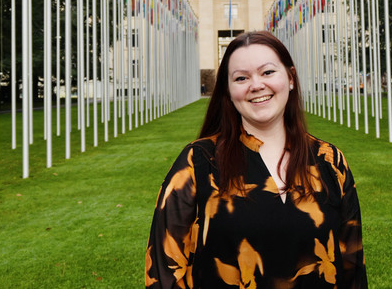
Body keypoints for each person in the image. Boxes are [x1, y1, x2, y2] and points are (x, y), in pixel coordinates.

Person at [145, 31, 367, 288]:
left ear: (291, 78)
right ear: (228, 91)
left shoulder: (329, 162)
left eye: (268, 72)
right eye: (241, 78)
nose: (256, 85)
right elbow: (164, 272)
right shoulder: (198, 163)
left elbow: (352, 268)